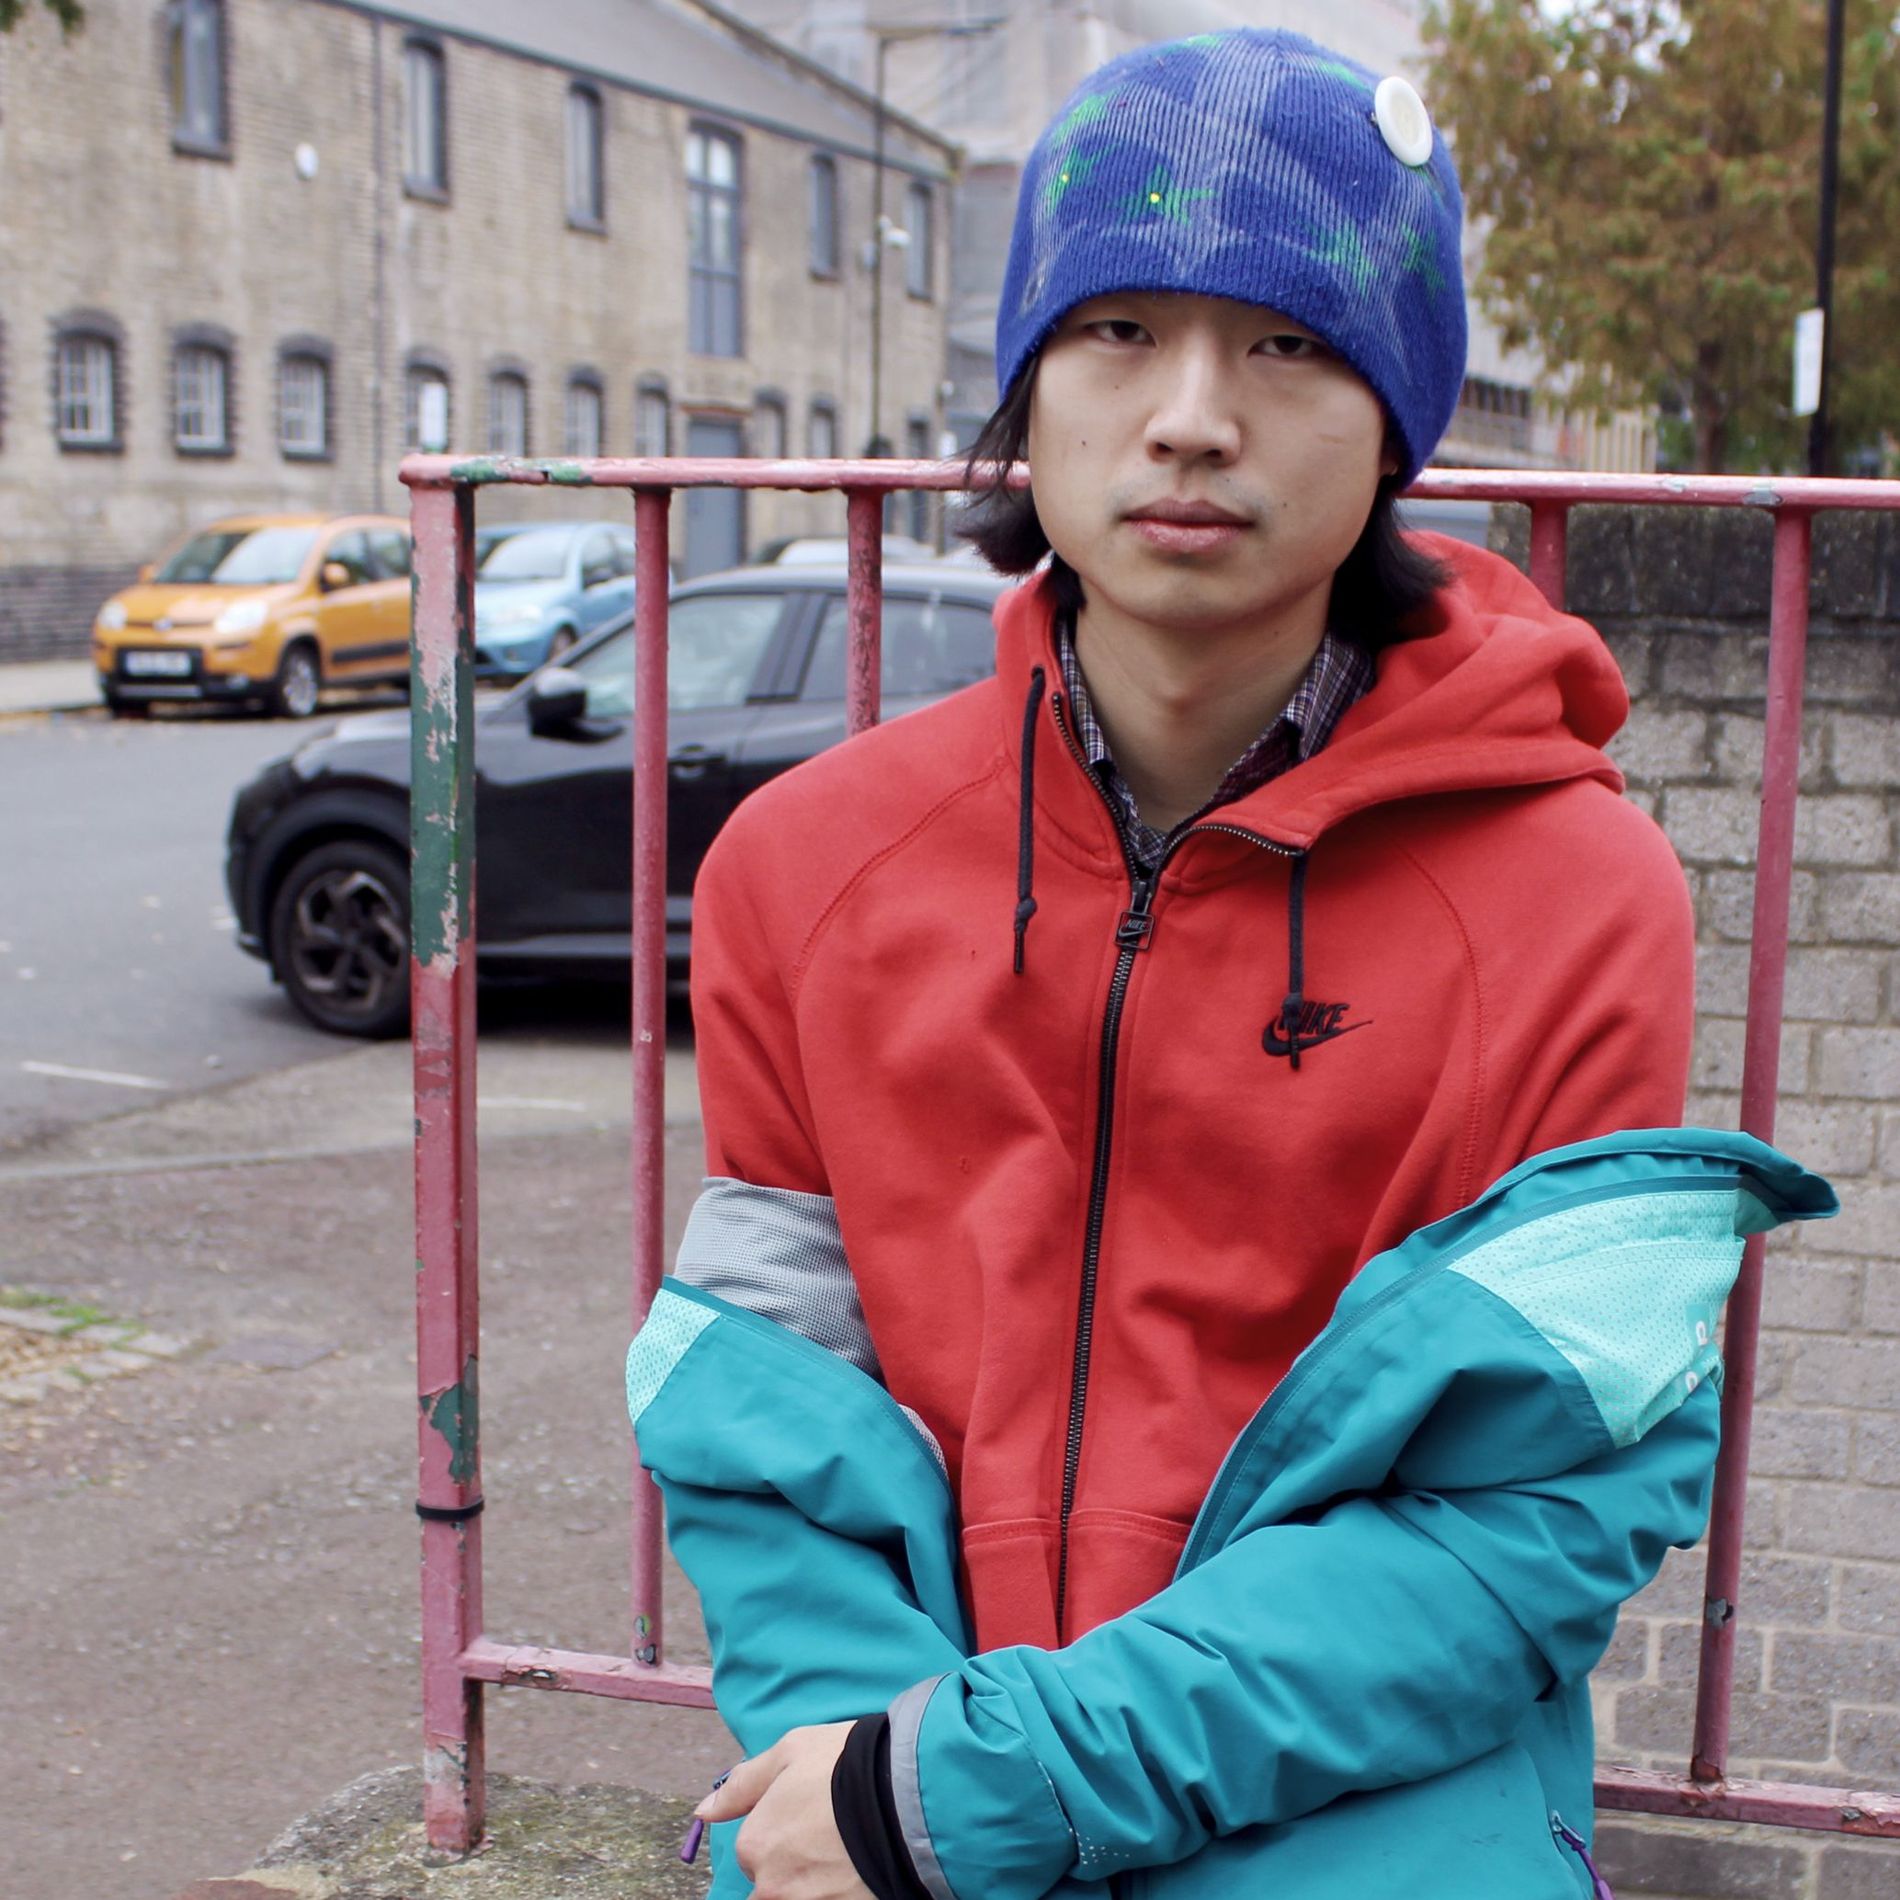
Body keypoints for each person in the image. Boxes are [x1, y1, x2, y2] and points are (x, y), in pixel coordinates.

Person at [624, 27, 1834, 1900]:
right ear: (1026, 391)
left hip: (1363, 1800)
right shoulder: (807, 868)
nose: (1193, 414)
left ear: (1399, 421)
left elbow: (1528, 1513)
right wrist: (893, 1785)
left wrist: (1011, 1782)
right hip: (898, 1762)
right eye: (1117, 329)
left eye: (1290, 342)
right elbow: (763, 1413)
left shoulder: (1580, 897)